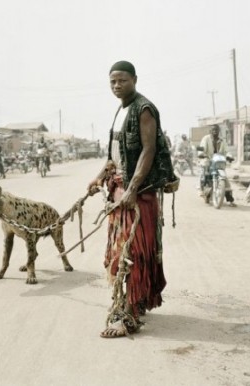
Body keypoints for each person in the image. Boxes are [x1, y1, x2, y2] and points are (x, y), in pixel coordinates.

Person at [87, 61, 168, 338]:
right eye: (112, 82)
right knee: (122, 252)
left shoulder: (143, 109)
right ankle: (134, 303)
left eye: (122, 80)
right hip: (120, 191)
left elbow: (148, 150)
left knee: (131, 254)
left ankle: (130, 315)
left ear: (134, 79)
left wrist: (132, 188)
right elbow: (114, 155)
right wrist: (99, 177)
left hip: (137, 195)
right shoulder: (120, 111)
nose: (116, 86)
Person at [199, 124, 235, 205]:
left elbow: (227, 150)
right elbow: (201, 147)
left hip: (218, 161)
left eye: (216, 130)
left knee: (224, 177)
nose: (215, 131)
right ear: (210, 131)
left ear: (219, 131)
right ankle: (203, 190)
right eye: (213, 130)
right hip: (208, 160)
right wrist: (201, 153)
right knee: (205, 175)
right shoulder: (206, 138)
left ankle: (229, 197)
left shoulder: (222, 140)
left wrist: (229, 156)